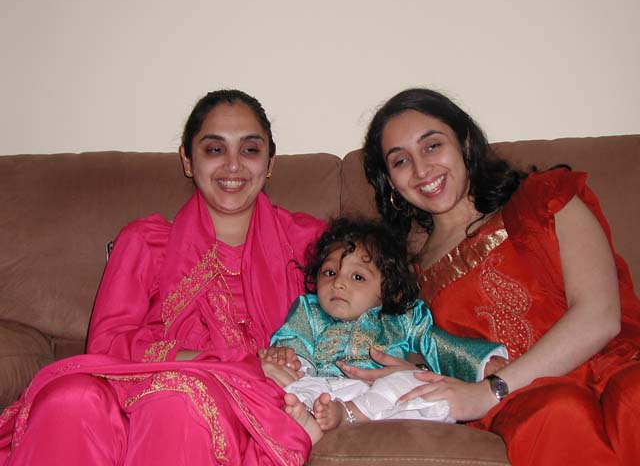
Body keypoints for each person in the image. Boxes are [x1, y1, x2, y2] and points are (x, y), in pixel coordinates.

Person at [0, 89, 326, 465]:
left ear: (270, 163)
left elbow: (355, 321)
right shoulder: (146, 241)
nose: (233, 165)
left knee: (178, 399)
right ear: (188, 160)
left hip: (230, 404)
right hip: (135, 386)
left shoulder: (309, 243)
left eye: (250, 150)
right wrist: (236, 363)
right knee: (70, 398)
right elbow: (107, 345)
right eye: (215, 149)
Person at [344, 88, 640, 465]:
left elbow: (600, 315)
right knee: (557, 413)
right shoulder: (406, 274)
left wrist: (490, 390)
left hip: (611, 366)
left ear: (466, 144)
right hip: (528, 403)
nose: (421, 170)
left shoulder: (543, 197)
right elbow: (430, 350)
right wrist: (415, 371)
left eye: (432, 146)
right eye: (401, 160)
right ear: (390, 181)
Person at [267, 217, 506, 431]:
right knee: (286, 382)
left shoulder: (403, 318)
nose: (338, 283)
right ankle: (311, 418)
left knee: (414, 382)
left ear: (386, 289)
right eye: (329, 272)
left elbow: (436, 344)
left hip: (377, 393)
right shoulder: (310, 310)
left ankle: (348, 414)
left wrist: (481, 364)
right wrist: (287, 358)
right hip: (325, 389)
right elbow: (294, 340)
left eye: (357, 277)